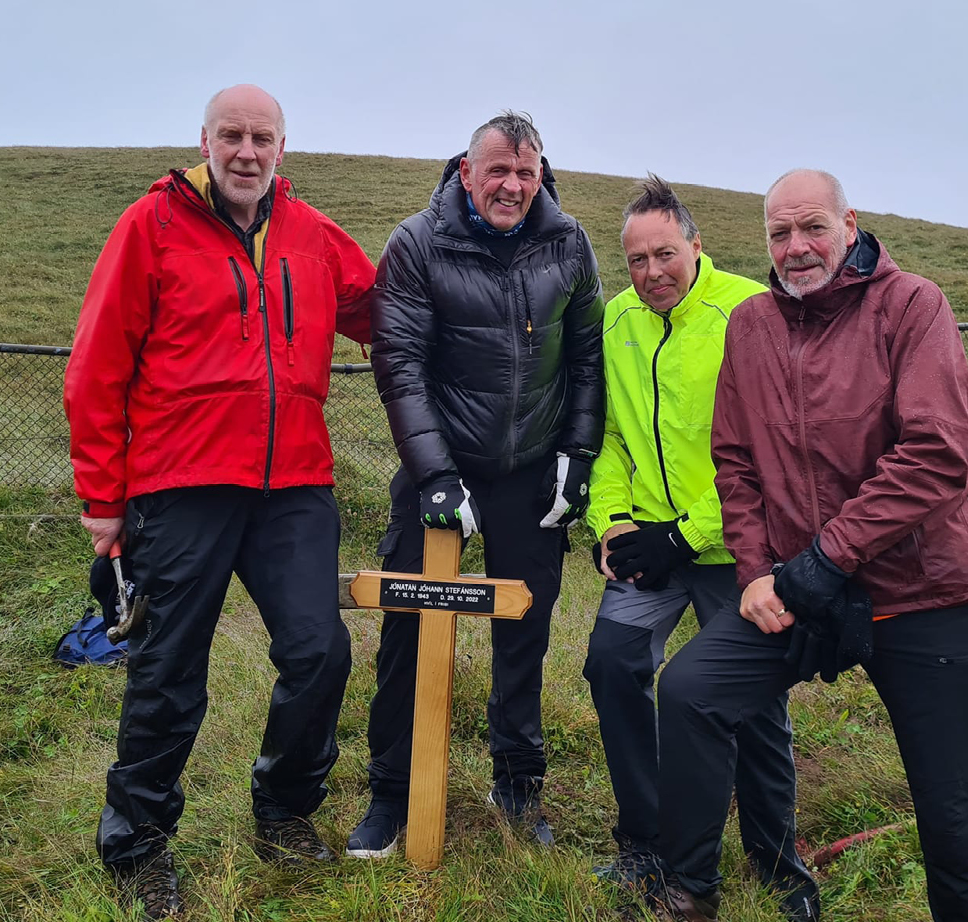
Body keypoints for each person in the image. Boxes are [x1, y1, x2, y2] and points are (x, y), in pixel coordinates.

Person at [652, 169, 968, 922]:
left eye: (812, 227)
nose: (796, 247)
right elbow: (735, 461)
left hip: (922, 596)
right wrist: (755, 573)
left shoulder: (912, 306)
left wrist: (824, 560)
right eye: (779, 233)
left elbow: (936, 457)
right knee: (689, 693)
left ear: (851, 225)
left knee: (951, 812)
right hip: (796, 595)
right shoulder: (752, 324)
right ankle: (689, 892)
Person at [63, 84, 377, 918]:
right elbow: (97, 365)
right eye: (231, 135)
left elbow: (384, 310)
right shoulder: (151, 225)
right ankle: (136, 845)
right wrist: (103, 497)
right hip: (181, 485)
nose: (247, 151)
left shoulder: (311, 235)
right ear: (203, 140)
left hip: (294, 486)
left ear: (283, 148)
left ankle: (282, 809)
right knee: (168, 671)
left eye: (261, 137)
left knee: (320, 653)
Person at [346, 110, 605, 858]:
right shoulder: (417, 244)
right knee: (406, 627)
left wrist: (576, 455)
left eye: (526, 172)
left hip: (532, 474)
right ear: (466, 171)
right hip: (442, 476)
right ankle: (392, 793)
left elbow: (586, 357)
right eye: (498, 170)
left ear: (541, 173)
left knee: (523, 631)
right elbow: (399, 363)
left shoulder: (570, 242)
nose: (512, 186)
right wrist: (434, 475)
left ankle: (517, 785)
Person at [580, 175, 818, 916]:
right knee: (612, 666)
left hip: (736, 549)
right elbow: (611, 437)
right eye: (635, 262)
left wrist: (687, 535)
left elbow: (769, 451)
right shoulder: (616, 320)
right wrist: (614, 523)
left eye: (664, 255)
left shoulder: (750, 310)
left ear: (695, 245)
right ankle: (646, 841)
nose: (651, 274)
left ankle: (777, 862)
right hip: (649, 544)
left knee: (752, 703)